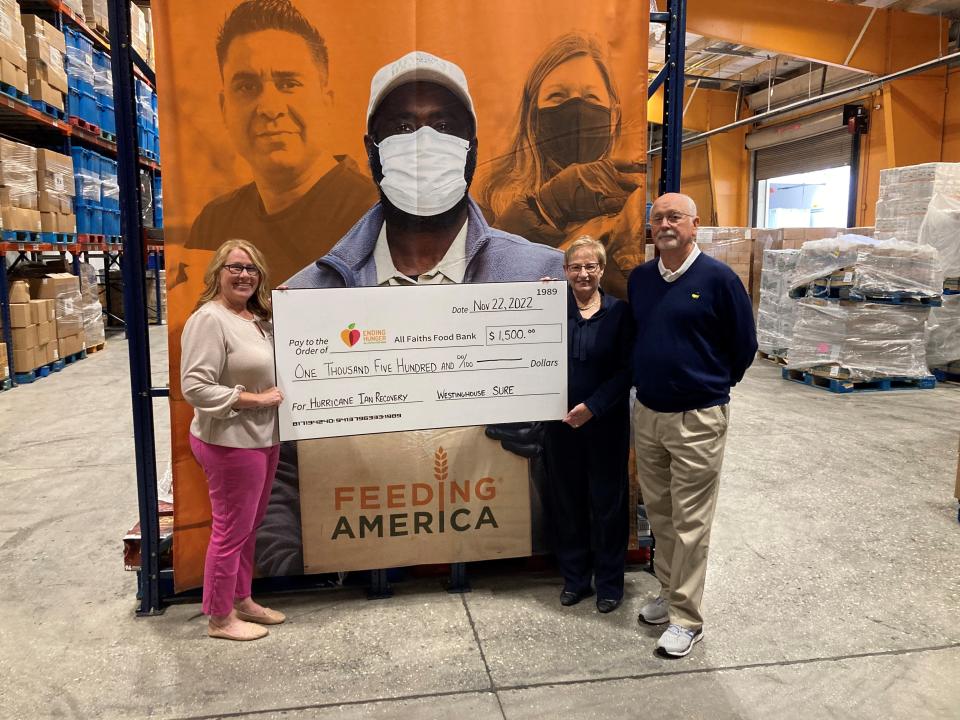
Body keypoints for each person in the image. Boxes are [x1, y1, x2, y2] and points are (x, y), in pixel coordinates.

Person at [254, 50, 565, 577]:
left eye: (443, 125)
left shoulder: (540, 278)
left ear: (472, 149)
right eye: (402, 125)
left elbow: (599, 430)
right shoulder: (310, 297)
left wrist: (552, 441)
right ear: (371, 152)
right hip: (361, 580)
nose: (423, 141)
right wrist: (292, 568)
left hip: (505, 580)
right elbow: (278, 470)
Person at [628, 193, 757, 657]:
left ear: (695, 225)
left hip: (697, 419)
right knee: (660, 514)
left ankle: (687, 618)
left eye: (674, 217)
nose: (665, 224)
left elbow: (743, 347)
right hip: (648, 414)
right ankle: (667, 592)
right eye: (658, 217)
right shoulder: (642, 279)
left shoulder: (719, 280)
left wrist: (709, 387)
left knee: (691, 523)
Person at [184, 0, 378, 285]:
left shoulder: (372, 217)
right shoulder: (213, 225)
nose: (269, 107)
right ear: (225, 107)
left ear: (326, 102)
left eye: (288, 84)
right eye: (247, 87)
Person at [476, 32, 646, 298]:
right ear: (533, 116)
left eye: (591, 98)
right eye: (557, 97)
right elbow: (483, 276)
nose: (577, 109)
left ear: (613, 116)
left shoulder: (630, 206)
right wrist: (549, 205)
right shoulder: (490, 199)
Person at [180, 239, 286, 641]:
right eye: (235, 267)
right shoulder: (209, 320)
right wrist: (255, 399)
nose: (244, 275)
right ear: (217, 274)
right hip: (230, 442)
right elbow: (195, 387)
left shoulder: (254, 319)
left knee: (249, 526)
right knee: (230, 531)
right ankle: (220, 617)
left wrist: (289, 313)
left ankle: (242, 599)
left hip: (262, 438)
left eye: (251, 268)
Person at [543, 236, 633, 613]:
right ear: (565, 272)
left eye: (590, 266)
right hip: (560, 427)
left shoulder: (620, 313)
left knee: (608, 506)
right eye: (575, 267)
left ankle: (610, 584)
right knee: (568, 503)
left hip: (606, 425)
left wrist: (593, 407)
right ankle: (575, 579)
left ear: (601, 270)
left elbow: (628, 369)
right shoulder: (549, 310)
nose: (583, 273)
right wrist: (534, 303)